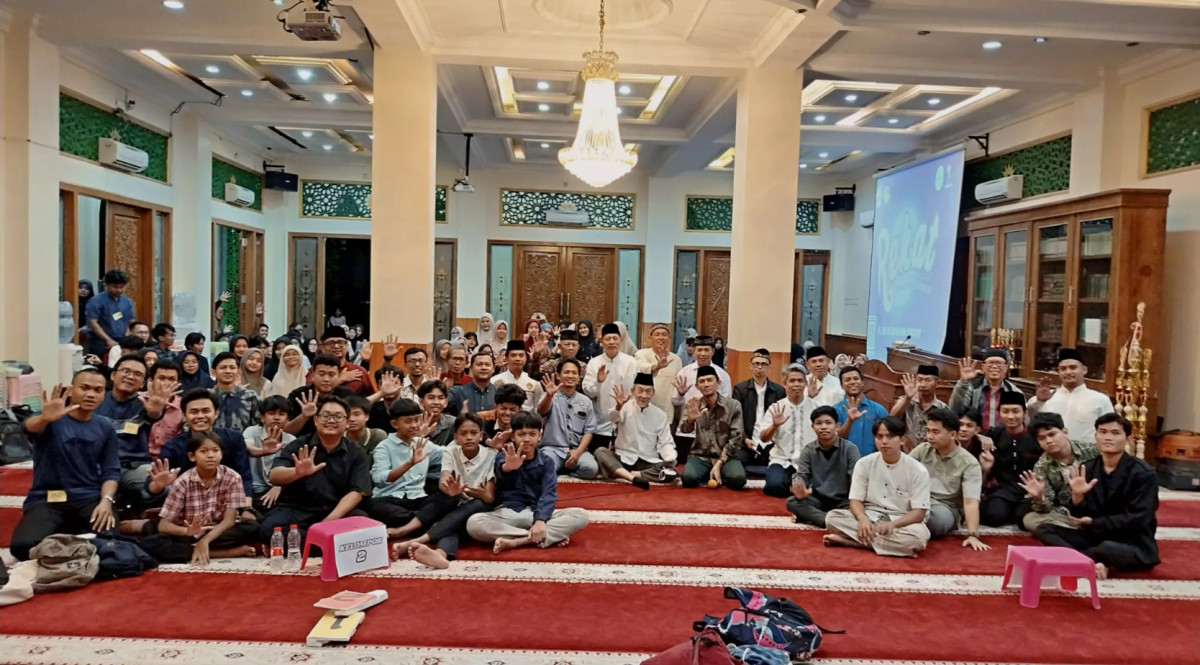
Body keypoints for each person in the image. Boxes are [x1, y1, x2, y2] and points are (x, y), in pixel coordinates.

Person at [1034, 413, 1159, 579]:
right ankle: (1089, 563)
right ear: (1096, 436)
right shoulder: (1088, 468)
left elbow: (1139, 518)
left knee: (1107, 548)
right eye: (1103, 432)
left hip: (1131, 542)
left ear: (1127, 439)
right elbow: (1081, 517)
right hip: (1095, 536)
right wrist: (1077, 496)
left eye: (1115, 433)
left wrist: (1094, 522)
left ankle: (1078, 560)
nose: (1108, 437)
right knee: (1044, 529)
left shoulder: (1143, 474)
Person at [10, 372, 120, 560]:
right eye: (84, 388)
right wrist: (44, 419)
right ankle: (73, 536)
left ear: (104, 395)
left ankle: (64, 535)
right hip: (48, 498)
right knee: (23, 547)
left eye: (98, 390)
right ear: (71, 390)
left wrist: (106, 501)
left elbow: (111, 470)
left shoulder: (105, 426)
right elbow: (28, 427)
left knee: (111, 538)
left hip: (88, 497)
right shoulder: (51, 418)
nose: (91, 394)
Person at [466, 412, 589, 552]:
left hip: (535, 512)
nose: (527, 439)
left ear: (539, 436)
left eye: (532, 434)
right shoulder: (503, 455)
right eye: (521, 434)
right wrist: (509, 468)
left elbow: (549, 494)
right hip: (506, 513)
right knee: (474, 523)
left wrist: (540, 520)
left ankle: (517, 541)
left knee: (580, 515)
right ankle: (541, 536)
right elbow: (501, 470)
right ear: (513, 436)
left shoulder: (547, 462)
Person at [260, 396, 372, 548]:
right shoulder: (298, 445)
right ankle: (328, 546)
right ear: (315, 420)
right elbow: (274, 476)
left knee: (361, 525)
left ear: (347, 423)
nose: (331, 420)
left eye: (338, 416)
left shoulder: (357, 452)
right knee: (270, 529)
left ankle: (310, 544)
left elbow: (357, 492)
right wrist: (297, 472)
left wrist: (327, 522)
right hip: (296, 509)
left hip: (335, 511)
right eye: (325, 415)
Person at [393, 412, 497, 569]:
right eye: (463, 433)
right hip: (455, 507)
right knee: (450, 509)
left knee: (476, 504)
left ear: (481, 436)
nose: (469, 437)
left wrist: (480, 494)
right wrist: (449, 490)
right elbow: (444, 480)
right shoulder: (451, 451)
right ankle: (441, 554)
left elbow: (489, 498)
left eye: (473, 433)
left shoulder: (491, 455)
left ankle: (418, 540)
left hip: (478, 508)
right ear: (456, 437)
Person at [138, 432, 260, 564]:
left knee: (252, 527)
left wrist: (205, 540)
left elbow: (229, 520)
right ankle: (221, 553)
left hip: (217, 531)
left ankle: (199, 548)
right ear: (192, 456)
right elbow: (164, 525)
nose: (210, 455)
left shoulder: (233, 477)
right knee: (152, 544)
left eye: (215, 450)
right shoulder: (182, 482)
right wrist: (187, 531)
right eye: (203, 451)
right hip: (189, 533)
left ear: (222, 454)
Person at [823, 417, 931, 557]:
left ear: (902, 440)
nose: (884, 441)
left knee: (917, 539)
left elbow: (919, 513)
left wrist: (893, 525)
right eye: (879, 437)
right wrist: (862, 518)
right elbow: (855, 500)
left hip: (901, 521)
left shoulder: (917, 470)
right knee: (832, 518)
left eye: (890, 436)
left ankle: (854, 542)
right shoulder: (864, 464)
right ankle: (886, 546)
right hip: (870, 516)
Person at [367, 399, 459, 539]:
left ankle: (407, 528)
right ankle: (426, 523)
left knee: (451, 497)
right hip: (389, 499)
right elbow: (379, 479)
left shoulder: (423, 443)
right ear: (394, 424)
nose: (414, 425)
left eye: (417, 420)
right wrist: (410, 463)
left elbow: (449, 453)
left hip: (418, 499)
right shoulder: (384, 447)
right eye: (408, 421)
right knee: (373, 506)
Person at [94, 356, 174, 507]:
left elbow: (153, 415)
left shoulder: (146, 403)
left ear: (143, 383)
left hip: (133, 466)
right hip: (98, 466)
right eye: (126, 371)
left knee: (165, 489)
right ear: (113, 375)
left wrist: (156, 412)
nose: (131, 377)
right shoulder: (96, 400)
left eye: (138, 374)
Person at [151, 388, 255, 500]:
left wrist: (246, 506)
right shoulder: (173, 446)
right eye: (194, 412)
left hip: (228, 500)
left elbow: (245, 477)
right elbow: (152, 485)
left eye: (206, 411)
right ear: (184, 416)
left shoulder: (234, 439)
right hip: (189, 502)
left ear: (216, 413)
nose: (200, 416)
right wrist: (158, 486)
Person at [909, 408, 989, 551]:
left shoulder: (969, 463)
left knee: (937, 523)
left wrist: (973, 535)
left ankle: (902, 522)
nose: (929, 436)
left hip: (944, 508)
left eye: (935, 432)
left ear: (952, 434)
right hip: (918, 499)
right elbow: (902, 471)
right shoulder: (923, 449)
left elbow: (970, 501)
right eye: (928, 431)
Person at [1020, 412, 1100, 533]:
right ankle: (1077, 530)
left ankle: (1077, 531)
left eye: (1052, 434)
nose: (1048, 441)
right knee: (1030, 519)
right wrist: (1039, 497)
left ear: (1065, 432)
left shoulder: (1092, 451)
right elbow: (1047, 507)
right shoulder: (1042, 466)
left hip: (1097, 506)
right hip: (1066, 514)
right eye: (1042, 438)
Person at [595, 373, 676, 489]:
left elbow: (666, 442)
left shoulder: (660, 415)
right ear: (633, 391)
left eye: (648, 391)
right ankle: (634, 478)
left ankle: (626, 474)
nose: (644, 395)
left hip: (647, 461)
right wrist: (618, 406)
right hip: (624, 457)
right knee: (600, 452)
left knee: (671, 471)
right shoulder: (624, 407)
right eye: (640, 390)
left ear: (653, 393)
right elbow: (612, 418)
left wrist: (670, 458)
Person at [753, 365, 822, 497]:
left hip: (809, 462)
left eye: (800, 381)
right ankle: (797, 489)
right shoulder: (776, 408)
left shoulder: (816, 408)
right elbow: (763, 438)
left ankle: (798, 488)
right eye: (792, 381)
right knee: (774, 486)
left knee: (821, 487)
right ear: (785, 383)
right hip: (781, 460)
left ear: (805, 383)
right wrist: (774, 426)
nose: (796, 384)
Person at [787, 406, 860, 528]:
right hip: (818, 499)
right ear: (813, 427)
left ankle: (816, 518)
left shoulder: (850, 449)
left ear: (837, 426)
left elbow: (857, 479)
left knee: (860, 507)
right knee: (792, 502)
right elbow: (801, 474)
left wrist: (856, 502)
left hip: (843, 501)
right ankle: (829, 520)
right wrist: (798, 486)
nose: (824, 427)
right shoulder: (808, 450)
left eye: (828, 423)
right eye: (819, 423)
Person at [978, 391, 1042, 527]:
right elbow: (969, 433)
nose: (1011, 416)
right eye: (1005, 411)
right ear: (999, 413)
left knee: (1023, 520)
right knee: (994, 516)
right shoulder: (993, 435)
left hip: (1029, 492)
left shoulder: (1036, 436)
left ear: (1025, 413)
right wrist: (979, 437)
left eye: (1016, 411)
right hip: (1002, 491)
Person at [1026, 348, 1114, 443]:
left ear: (1084, 370)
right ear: (1058, 372)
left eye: (1073, 368)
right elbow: (1028, 422)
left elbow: (1110, 431)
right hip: (1051, 450)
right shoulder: (1046, 396)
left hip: (1087, 451)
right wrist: (1040, 401)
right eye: (1063, 369)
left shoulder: (1100, 399)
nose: (1068, 372)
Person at [679, 365, 746, 490]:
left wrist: (719, 463)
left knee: (738, 480)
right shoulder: (694, 405)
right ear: (697, 386)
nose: (706, 384)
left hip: (726, 457)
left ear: (718, 383)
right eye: (702, 381)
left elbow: (736, 438)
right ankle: (711, 474)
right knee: (688, 478)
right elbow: (683, 429)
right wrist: (690, 420)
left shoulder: (733, 405)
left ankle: (717, 472)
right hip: (700, 456)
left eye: (710, 380)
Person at [672, 335, 732, 460]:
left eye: (706, 350)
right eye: (699, 350)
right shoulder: (684, 372)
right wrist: (681, 394)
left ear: (713, 351)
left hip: (714, 433)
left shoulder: (722, 375)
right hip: (687, 432)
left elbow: (727, 404)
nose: (703, 354)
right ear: (694, 351)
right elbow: (675, 402)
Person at [537, 358, 600, 479]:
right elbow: (541, 411)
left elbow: (589, 431)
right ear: (558, 375)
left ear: (579, 377)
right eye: (566, 372)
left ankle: (566, 473)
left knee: (591, 469)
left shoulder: (586, 401)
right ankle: (557, 468)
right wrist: (549, 396)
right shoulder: (549, 396)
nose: (570, 376)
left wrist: (578, 452)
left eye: (574, 373)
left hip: (577, 450)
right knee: (544, 468)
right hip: (553, 449)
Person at [581, 323, 637, 453]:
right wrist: (598, 382)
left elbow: (636, 390)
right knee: (599, 457)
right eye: (608, 339)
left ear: (620, 340)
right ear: (601, 342)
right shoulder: (594, 363)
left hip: (625, 422)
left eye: (615, 338)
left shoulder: (631, 362)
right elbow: (589, 392)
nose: (612, 342)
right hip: (600, 423)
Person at [732, 349, 786, 475]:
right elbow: (736, 419)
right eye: (756, 363)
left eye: (764, 364)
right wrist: (744, 439)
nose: (760, 367)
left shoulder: (779, 391)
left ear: (769, 367)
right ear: (750, 366)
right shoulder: (740, 389)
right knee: (735, 465)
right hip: (747, 442)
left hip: (771, 442)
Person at [950, 349, 1025, 430]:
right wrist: (963, 381)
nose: (994, 366)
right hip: (976, 434)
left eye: (999, 363)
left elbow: (1022, 419)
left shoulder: (1014, 391)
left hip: (1004, 435)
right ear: (983, 367)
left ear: (1006, 367)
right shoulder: (972, 387)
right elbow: (955, 410)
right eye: (991, 363)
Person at [243, 395, 294, 511]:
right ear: (262, 417)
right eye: (271, 413)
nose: (276, 418)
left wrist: (279, 485)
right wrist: (263, 451)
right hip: (252, 490)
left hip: (279, 490)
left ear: (288, 419)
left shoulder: (291, 440)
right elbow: (248, 448)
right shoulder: (252, 431)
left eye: (282, 414)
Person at [284, 354, 355, 438]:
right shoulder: (298, 395)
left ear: (339, 375)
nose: (326, 379)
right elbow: (286, 432)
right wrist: (304, 416)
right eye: (321, 374)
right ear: (313, 375)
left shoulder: (347, 395)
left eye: (331, 375)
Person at [889, 365, 948, 450]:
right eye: (919, 380)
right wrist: (907, 398)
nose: (923, 385)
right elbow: (891, 419)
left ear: (937, 383)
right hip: (907, 451)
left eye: (928, 380)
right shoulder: (906, 401)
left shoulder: (942, 408)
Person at [833, 366, 889, 456]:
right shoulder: (835, 411)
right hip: (844, 462)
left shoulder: (879, 410)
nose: (852, 382)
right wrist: (849, 421)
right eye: (847, 380)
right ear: (841, 386)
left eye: (856, 378)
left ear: (862, 382)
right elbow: (834, 439)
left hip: (872, 461)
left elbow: (887, 437)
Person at [85, 269, 136, 358]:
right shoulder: (95, 301)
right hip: (100, 341)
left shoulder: (127, 301)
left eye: (122, 287)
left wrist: (126, 336)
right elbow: (93, 322)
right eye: (115, 287)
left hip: (121, 339)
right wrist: (108, 339)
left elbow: (131, 321)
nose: (119, 290)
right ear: (107, 285)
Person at [634, 323, 683, 415]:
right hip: (644, 406)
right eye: (657, 334)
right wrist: (657, 366)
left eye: (664, 335)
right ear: (650, 337)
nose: (661, 338)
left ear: (669, 338)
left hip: (667, 408)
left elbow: (678, 384)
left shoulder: (676, 359)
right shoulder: (642, 354)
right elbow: (642, 368)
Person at [310, 326, 372, 396]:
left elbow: (371, 398)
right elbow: (310, 394)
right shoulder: (315, 371)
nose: (336, 346)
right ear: (322, 348)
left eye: (341, 342)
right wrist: (340, 379)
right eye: (331, 343)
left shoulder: (359, 371)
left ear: (347, 346)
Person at [211, 352, 261, 431]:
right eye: (223, 367)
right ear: (213, 372)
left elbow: (259, 424)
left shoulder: (250, 396)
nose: (228, 371)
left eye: (232, 368)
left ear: (239, 372)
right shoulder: (206, 396)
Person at [146, 361, 185, 458]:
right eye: (161, 378)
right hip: (138, 459)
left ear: (178, 383)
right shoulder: (138, 400)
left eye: (172, 379)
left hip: (169, 459)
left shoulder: (183, 406)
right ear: (151, 380)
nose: (166, 383)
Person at [493, 339, 543, 412]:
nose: (517, 359)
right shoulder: (495, 380)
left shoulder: (533, 381)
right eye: (513, 355)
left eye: (521, 355)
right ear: (506, 358)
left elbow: (537, 408)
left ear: (526, 358)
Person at [419, 380, 457, 449]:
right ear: (421, 402)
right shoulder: (413, 424)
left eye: (440, 398)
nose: (436, 402)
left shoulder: (454, 423)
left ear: (446, 402)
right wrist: (419, 436)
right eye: (431, 398)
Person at [804, 346, 844, 410]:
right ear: (807, 365)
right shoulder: (802, 382)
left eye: (821, 360)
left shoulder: (839, 383)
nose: (818, 364)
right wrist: (809, 397)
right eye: (814, 361)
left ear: (828, 361)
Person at [368, 365, 406, 432]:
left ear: (402, 385)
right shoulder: (372, 409)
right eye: (382, 383)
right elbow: (354, 406)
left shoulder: (410, 407)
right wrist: (382, 393)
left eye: (394, 382)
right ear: (377, 387)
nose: (389, 386)